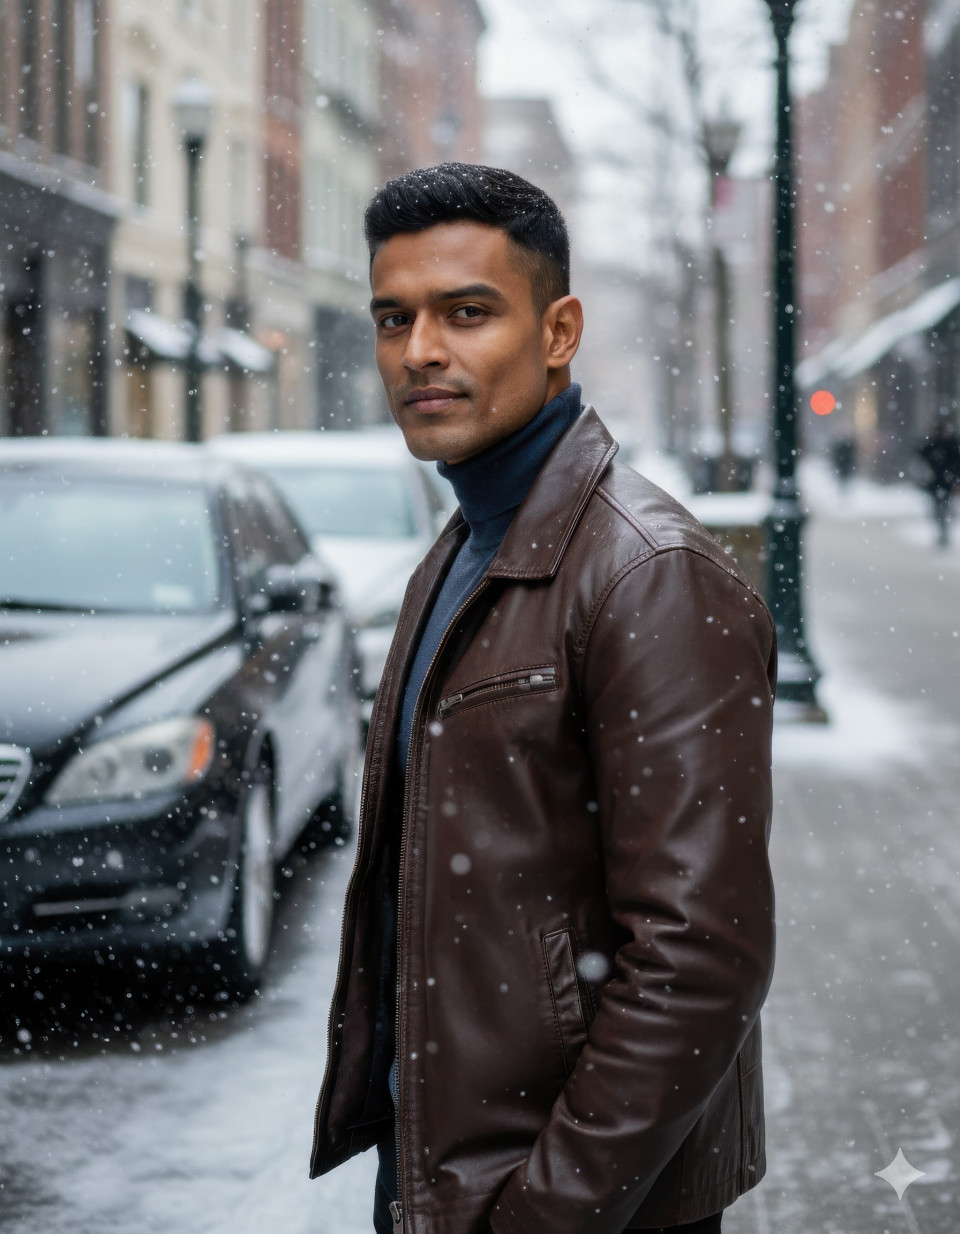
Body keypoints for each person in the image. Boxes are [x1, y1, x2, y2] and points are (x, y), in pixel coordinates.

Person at [310, 163, 776, 1234]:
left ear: (559, 330)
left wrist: (544, 1210)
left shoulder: (647, 570)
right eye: (395, 318)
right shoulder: (470, 544)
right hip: (452, 1167)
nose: (420, 350)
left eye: (467, 313)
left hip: (578, 1202)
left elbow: (701, 955)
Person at [917, 417, 960, 547]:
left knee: (943, 508)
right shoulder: (934, 444)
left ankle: (944, 532)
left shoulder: (950, 444)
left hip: (945, 481)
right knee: (938, 508)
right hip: (938, 481)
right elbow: (922, 454)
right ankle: (942, 530)